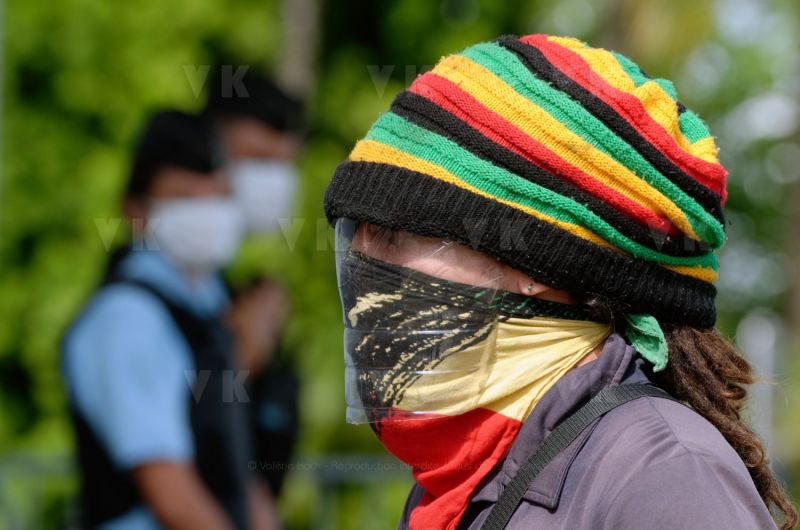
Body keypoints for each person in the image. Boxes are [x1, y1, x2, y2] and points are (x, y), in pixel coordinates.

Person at [322, 34, 797, 529]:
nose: (364, 264)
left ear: (529, 262)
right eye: (358, 236)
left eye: (392, 235)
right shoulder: (463, 473)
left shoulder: (663, 477)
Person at [62, 110, 278, 530]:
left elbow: (228, 459)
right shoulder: (127, 317)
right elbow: (172, 495)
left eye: (219, 195)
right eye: (184, 197)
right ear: (135, 211)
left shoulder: (208, 302)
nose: (206, 212)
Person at [204, 66, 304, 498]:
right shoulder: (163, 279)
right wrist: (245, 354)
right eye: (260, 159)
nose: (273, 182)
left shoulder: (228, 279)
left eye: (285, 164)